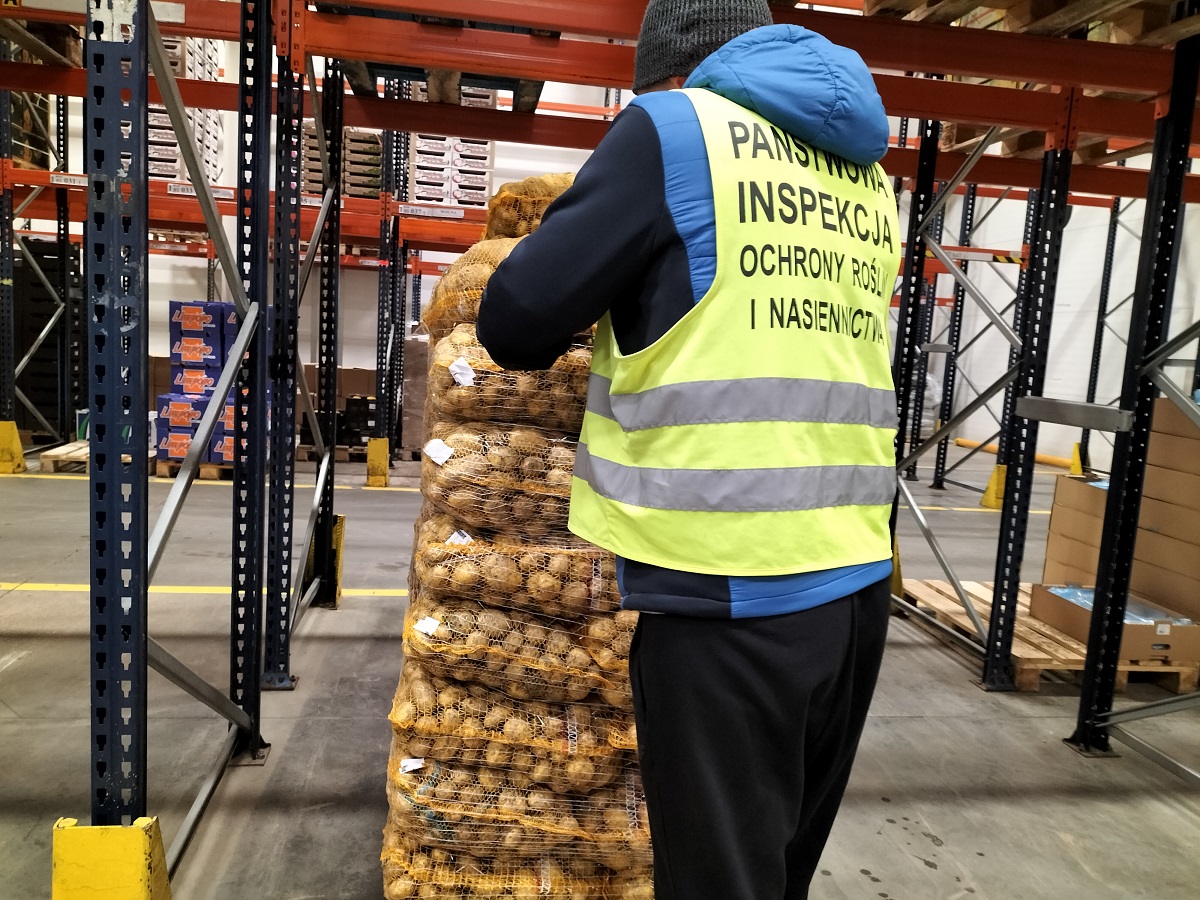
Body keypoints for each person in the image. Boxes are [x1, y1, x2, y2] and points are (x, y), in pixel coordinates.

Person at [477, 1, 902, 897]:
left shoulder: (676, 130)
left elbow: (515, 320)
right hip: (857, 587)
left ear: (674, 72)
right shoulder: (866, 174)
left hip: (730, 601)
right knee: (774, 874)